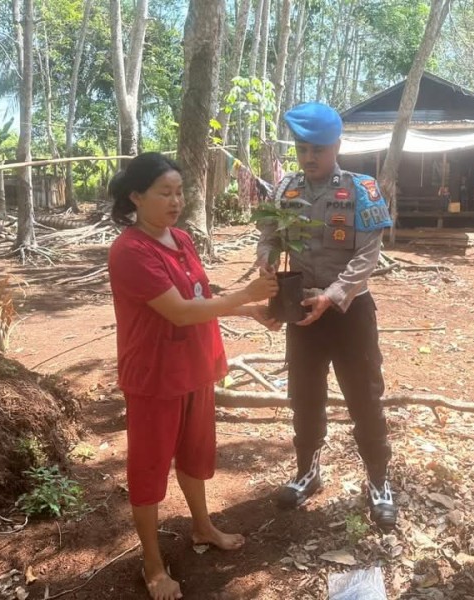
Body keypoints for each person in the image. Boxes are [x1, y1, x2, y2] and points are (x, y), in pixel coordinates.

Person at [107, 152, 279, 600]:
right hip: (154, 377)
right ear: (136, 196)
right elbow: (180, 312)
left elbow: (200, 295)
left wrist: (251, 310)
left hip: (196, 368)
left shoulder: (181, 239)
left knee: (193, 454)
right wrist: (245, 293)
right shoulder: (130, 251)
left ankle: (202, 527)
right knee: (148, 469)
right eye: (164, 192)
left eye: (180, 191)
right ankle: (151, 564)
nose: (175, 200)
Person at [256, 102, 398, 530]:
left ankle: (378, 482)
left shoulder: (362, 189)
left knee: (365, 399)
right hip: (302, 310)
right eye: (302, 148)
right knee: (304, 395)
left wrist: (334, 295)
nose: (309, 157)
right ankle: (307, 472)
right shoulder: (285, 191)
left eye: (318, 148)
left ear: (337, 145)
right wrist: (265, 262)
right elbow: (268, 237)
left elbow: (368, 254)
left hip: (349, 312)